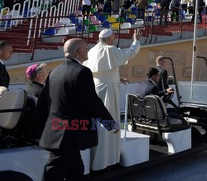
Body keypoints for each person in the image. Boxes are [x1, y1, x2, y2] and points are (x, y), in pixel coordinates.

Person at [37, 38, 118, 181]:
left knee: (76, 170)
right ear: (80, 51)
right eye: (86, 48)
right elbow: (92, 102)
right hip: (69, 135)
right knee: (54, 173)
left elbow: (43, 102)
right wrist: (110, 123)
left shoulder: (54, 71)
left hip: (59, 132)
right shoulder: (82, 72)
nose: (88, 50)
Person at [83, 28, 142, 171]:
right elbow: (129, 53)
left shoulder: (92, 50)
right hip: (108, 90)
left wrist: (117, 78)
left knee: (98, 122)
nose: (114, 40)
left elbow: (102, 71)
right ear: (109, 39)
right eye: (114, 38)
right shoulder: (110, 49)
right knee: (108, 123)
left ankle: (96, 159)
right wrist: (136, 41)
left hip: (97, 88)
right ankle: (104, 161)